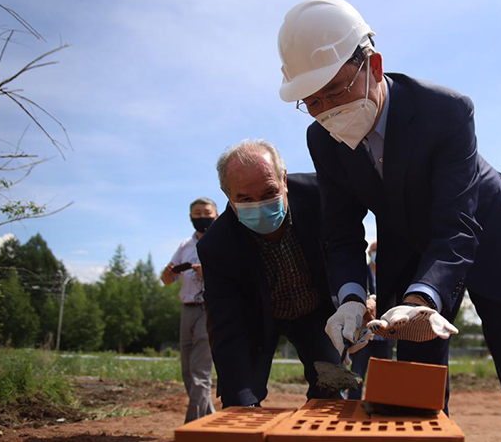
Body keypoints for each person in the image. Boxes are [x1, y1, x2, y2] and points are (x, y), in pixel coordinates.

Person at [276, 0, 501, 440]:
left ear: (373, 66)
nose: (328, 111)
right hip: (409, 242)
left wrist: (423, 298)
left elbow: (456, 223)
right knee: (415, 377)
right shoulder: (322, 139)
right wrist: (352, 297)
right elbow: (340, 230)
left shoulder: (446, 110)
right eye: (311, 101)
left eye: (335, 91)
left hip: (487, 232)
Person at [197, 140, 344, 408]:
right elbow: (226, 326)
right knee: (240, 400)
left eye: (269, 193)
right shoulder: (215, 246)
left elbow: (347, 249)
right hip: (255, 321)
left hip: (317, 313)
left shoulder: (320, 195)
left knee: (331, 389)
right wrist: (238, 397)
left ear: (284, 180)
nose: (261, 205)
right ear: (228, 197)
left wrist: (358, 296)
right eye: (245, 199)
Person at [160, 197, 218, 423]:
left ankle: (192, 426)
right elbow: (168, 280)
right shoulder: (185, 245)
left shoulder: (221, 242)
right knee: (187, 371)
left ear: (216, 215)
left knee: (200, 372)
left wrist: (209, 273)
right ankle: (210, 419)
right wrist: (167, 273)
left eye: (206, 212)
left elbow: (234, 277)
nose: (202, 217)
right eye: (197, 213)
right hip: (187, 310)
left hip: (210, 308)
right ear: (190, 217)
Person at [348, 241, 394, 399]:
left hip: (384, 335)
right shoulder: (362, 273)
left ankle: (380, 403)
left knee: (384, 374)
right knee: (357, 373)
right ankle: (353, 405)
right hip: (364, 333)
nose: (377, 254)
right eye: (374, 250)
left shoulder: (389, 275)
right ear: (369, 253)